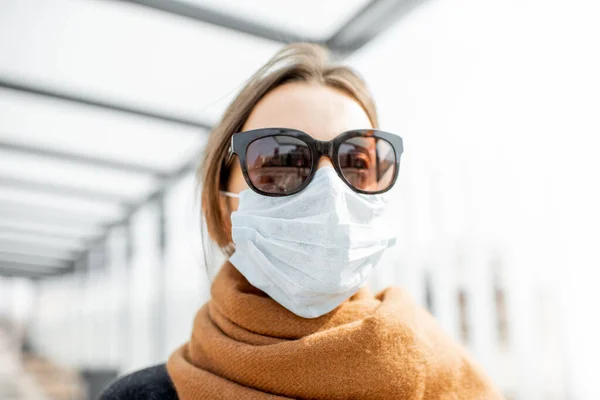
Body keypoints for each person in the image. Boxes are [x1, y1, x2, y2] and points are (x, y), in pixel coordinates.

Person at [100, 43, 503, 399]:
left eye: (356, 162)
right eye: (280, 161)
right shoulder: (141, 397)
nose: (329, 190)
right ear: (223, 210)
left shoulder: (451, 384)